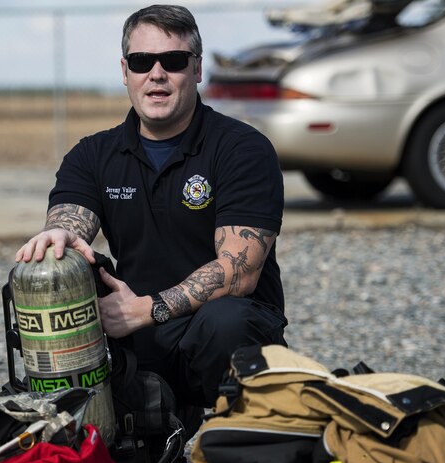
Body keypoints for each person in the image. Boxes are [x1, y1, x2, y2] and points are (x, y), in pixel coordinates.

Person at [15, 3, 287, 436]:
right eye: (143, 61)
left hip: (219, 337)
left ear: (196, 68)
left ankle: (250, 437)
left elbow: (240, 271)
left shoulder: (242, 149)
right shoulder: (93, 155)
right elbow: (69, 221)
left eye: (173, 61)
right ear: (125, 71)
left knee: (228, 320)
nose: (156, 74)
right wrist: (56, 239)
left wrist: (148, 309)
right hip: (140, 347)